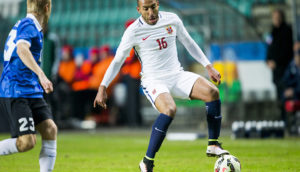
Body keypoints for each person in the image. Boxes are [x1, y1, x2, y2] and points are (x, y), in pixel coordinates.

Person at [93, 0, 229, 171]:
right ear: (138, 10)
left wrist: (208, 66)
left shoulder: (172, 19)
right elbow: (117, 61)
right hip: (154, 80)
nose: (150, 12)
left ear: (158, 4)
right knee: (170, 109)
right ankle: (147, 161)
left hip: (177, 75)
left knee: (212, 92)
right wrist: (102, 87)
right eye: (146, 9)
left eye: (153, 7)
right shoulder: (133, 31)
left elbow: (189, 43)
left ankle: (213, 144)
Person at [0, 0, 57, 172]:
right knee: (26, 142)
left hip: (30, 89)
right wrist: (41, 75)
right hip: (16, 89)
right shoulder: (29, 25)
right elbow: (21, 49)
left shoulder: (27, 24)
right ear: (47, 8)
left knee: (49, 129)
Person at [266, 9, 293, 121]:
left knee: (286, 95)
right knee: (279, 96)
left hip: (284, 69)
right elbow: (269, 48)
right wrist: (267, 60)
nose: (276, 20)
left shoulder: (286, 31)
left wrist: (276, 62)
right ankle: (283, 120)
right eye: (274, 18)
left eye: (278, 17)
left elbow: (287, 51)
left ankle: (288, 120)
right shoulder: (272, 32)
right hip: (275, 71)